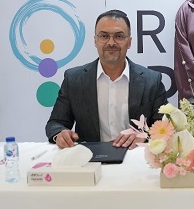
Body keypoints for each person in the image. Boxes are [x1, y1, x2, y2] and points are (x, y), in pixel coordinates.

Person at [46, 9, 168, 149]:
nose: (111, 42)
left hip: (134, 156)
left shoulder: (151, 81)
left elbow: (164, 126)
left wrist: (144, 137)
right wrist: (60, 134)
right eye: (104, 36)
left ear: (129, 42)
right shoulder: (74, 79)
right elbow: (55, 123)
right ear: (95, 41)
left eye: (119, 36)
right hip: (90, 158)